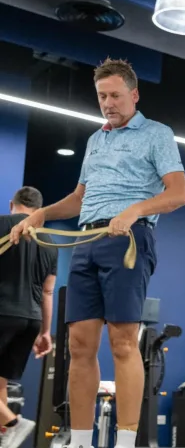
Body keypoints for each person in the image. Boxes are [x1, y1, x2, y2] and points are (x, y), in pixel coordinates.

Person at [9, 58, 185, 448]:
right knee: (78, 346)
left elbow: (179, 194)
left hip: (127, 239)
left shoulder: (157, 134)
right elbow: (78, 199)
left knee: (123, 343)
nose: (108, 103)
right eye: (102, 96)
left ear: (135, 94)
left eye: (115, 95)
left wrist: (135, 210)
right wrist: (39, 215)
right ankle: (80, 440)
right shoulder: (95, 140)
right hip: (87, 242)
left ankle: (125, 443)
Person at [0, 187, 57, 448]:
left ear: (12, 204)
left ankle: (13, 422)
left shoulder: (1, 224)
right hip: (30, 320)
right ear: (39, 211)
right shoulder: (49, 242)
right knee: (0, 385)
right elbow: (47, 291)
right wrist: (45, 332)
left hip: (2, 312)